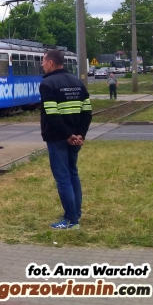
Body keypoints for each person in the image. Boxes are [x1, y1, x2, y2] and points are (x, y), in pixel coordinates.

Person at [40, 50, 93, 230]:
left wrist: (67, 135)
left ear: (51, 63)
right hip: (75, 138)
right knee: (73, 174)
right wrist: (80, 135)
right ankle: (75, 214)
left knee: (63, 178)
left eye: (43, 61)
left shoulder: (48, 84)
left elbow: (52, 114)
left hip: (58, 138)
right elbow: (87, 112)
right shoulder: (77, 82)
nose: (42, 64)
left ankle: (71, 220)